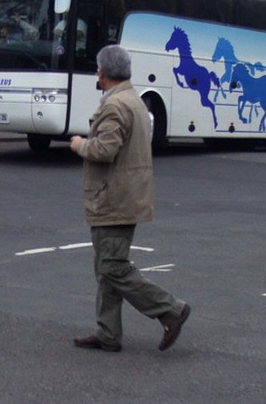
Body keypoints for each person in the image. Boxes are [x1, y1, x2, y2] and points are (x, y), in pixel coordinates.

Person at [69, 45, 190, 353]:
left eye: (97, 69)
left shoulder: (115, 106)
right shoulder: (134, 99)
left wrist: (80, 144)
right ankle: (108, 332)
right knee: (106, 266)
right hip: (125, 195)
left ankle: (170, 309)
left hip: (113, 197)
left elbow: (104, 150)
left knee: (112, 266)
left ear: (102, 72)